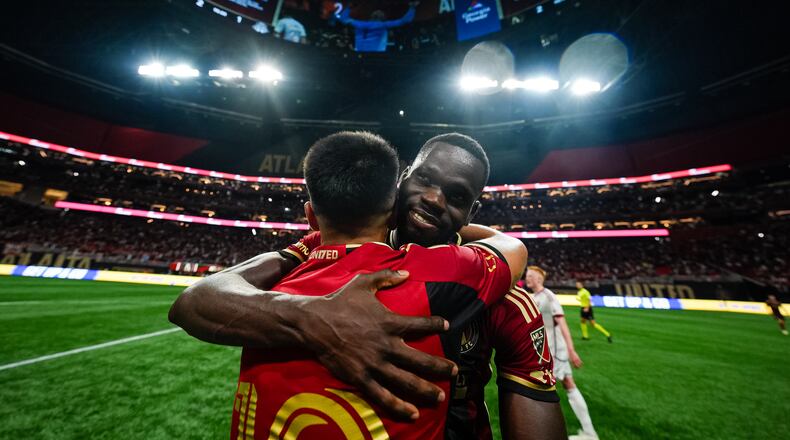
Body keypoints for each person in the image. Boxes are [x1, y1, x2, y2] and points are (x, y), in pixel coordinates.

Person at [170, 133, 567, 439]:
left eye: (457, 196)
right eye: (425, 179)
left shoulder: (504, 298)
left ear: (470, 212)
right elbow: (197, 300)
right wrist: (315, 318)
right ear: (401, 181)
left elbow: (534, 401)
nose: (433, 198)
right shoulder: (313, 256)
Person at [528, 267, 599, 440]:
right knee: (562, 385)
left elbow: (562, 323)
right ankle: (588, 431)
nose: (526, 278)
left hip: (555, 351)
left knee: (558, 385)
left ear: (538, 279)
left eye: (530, 276)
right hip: (544, 350)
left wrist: (571, 349)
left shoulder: (548, 296)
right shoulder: (534, 297)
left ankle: (588, 432)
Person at [336, 2, 417, 52]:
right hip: (376, 57)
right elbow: (404, 20)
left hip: (361, 56)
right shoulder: (383, 25)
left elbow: (343, 19)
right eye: (377, 13)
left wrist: (349, 6)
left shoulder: (359, 24)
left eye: (379, 13)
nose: (378, 13)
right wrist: (412, 7)